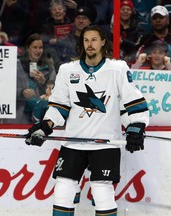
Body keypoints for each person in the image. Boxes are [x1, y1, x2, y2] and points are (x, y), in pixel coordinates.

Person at [25, 25, 149, 216]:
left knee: (102, 191)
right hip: (74, 142)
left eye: (93, 40)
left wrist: (137, 126)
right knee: (63, 191)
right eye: (86, 40)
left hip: (105, 144)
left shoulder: (117, 68)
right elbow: (59, 105)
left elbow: (132, 100)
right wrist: (44, 127)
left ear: (103, 42)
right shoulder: (67, 70)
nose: (89, 44)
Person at [17, 33, 56, 124]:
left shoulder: (49, 67)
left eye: (40, 48)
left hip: (42, 112)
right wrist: (21, 92)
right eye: (35, 47)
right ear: (28, 48)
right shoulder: (17, 65)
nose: (38, 51)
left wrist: (43, 82)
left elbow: (52, 91)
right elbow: (6, 89)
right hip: (21, 113)